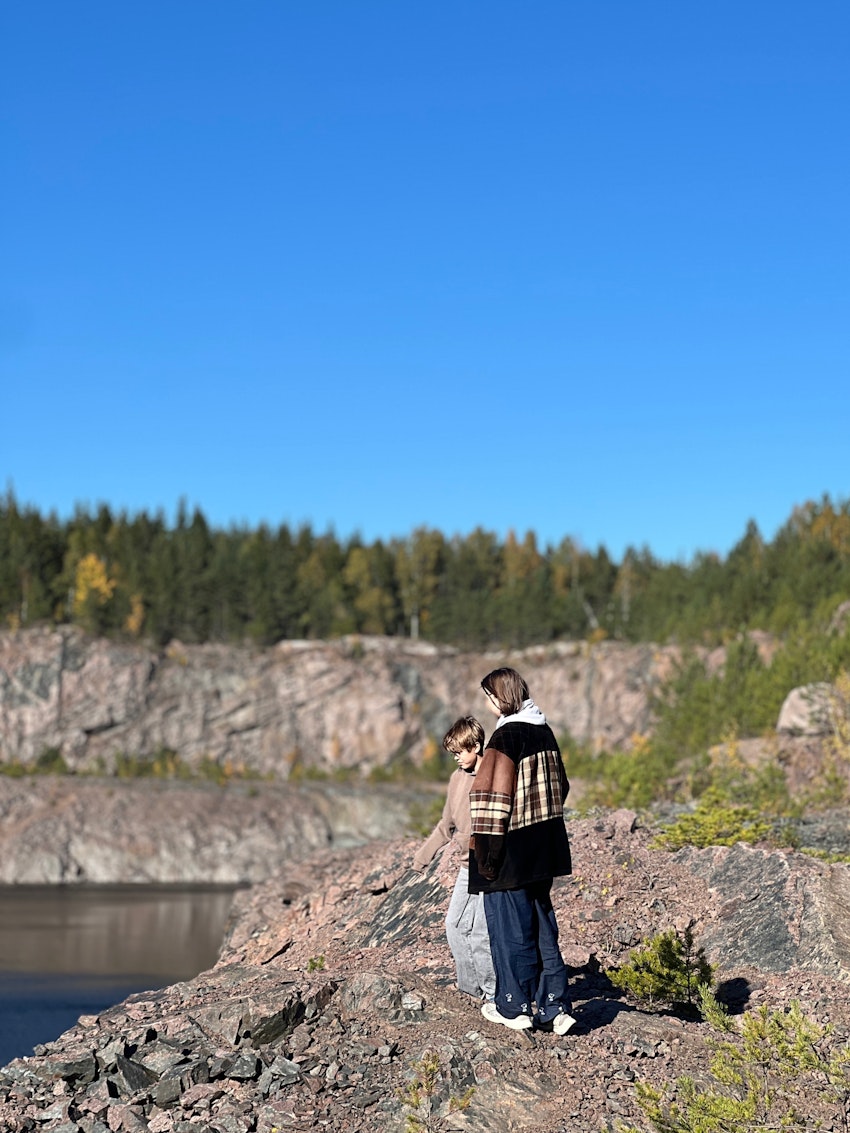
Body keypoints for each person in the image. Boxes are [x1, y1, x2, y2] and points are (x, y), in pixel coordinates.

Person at [469, 667, 576, 1035]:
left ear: (501, 696)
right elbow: (562, 785)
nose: (488, 704)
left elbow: (491, 801)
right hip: (543, 849)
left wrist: (487, 856)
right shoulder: (544, 731)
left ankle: (513, 1006)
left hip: (510, 851)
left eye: (489, 696)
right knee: (543, 925)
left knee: (509, 928)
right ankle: (554, 1005)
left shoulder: (505, 737)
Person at [412, 716, 496, 1003]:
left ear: (475, 746)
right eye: (453, 754)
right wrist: (421, 859)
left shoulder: (494, 775)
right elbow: (445, 824)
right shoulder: (456, 779)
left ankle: (492, 992)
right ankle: (471, 989)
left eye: (460, 752)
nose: (457, 759)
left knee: (480, 933)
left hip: (488, 866)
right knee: (455, 926)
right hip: (465, 866)